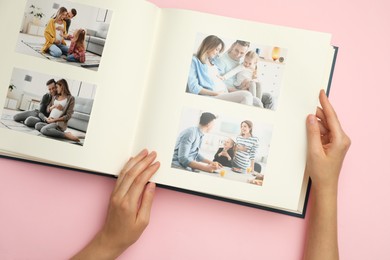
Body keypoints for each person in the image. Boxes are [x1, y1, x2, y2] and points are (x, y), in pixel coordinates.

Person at [73, 90, 350, 259]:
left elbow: (201, 156)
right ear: (208, 124)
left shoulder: (211, 137)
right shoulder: (197, 134)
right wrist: (214, 162)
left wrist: (211, 163)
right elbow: (185, 159)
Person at [187, 35, 254, 105]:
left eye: (219, 50)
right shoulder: (195, 61)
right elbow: (193, 87)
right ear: (209, 46)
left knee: (256, 101)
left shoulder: (212, 61)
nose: (217, 52)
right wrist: (215, 93)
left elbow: (226, 54)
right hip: (214, 95)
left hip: (224, 92)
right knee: (247, 95)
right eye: (217, 49)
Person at [215, 40, 274, 109]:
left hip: (247, 88)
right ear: (232, 46)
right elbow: (218, 83)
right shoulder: (222, 60)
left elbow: (251, 71)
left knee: (269, 97)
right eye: (236, 50)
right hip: (234, 91)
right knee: (257, 101)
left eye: (242, 53)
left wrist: (253, 77)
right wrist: (241, 90)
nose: (238, 55)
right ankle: (256, 105)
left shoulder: (243, 61)